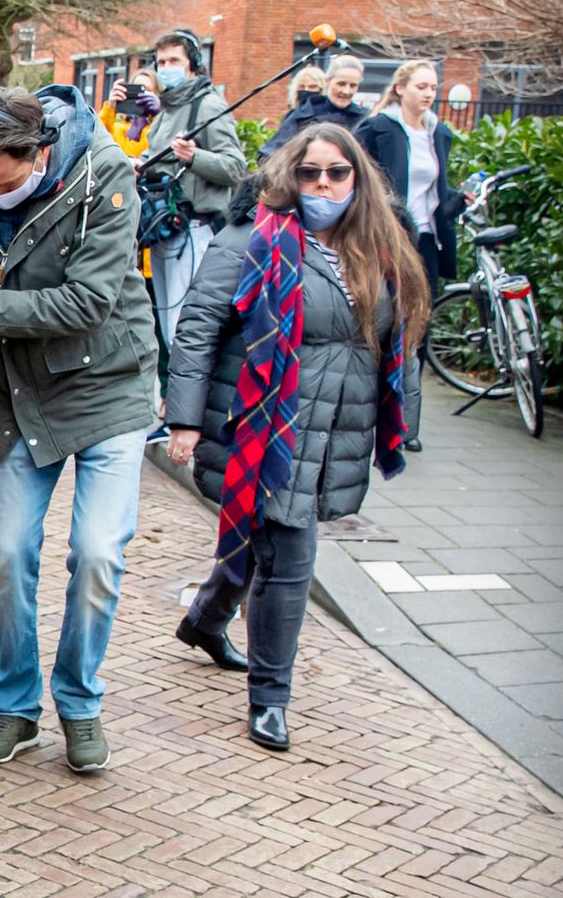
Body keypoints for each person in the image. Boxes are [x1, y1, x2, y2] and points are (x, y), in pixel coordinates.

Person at [167, 124, 428, 751]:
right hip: (261, 424)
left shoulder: (383, 245)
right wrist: (183, 419)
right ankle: (271, 699)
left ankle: (204, 621)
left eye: (336, 173)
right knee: (290, 557)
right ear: (290, 174)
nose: (322, 184)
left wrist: (404, 424)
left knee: (265, 546)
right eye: (310, 172)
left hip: (340, 422)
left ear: (357, 179)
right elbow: (199, 328)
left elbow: (403, 340)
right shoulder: (251, 238)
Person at [0, 86, 158, 774]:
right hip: (24, 394)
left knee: (96, 554)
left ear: (41, 153)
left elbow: (89, 300)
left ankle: (80, 705)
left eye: (5, 181)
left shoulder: (104, 174)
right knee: (6, 554)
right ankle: (15, 706)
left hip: (110, 384)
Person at [357, 59, 457, 451]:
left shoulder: (439, 134)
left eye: (433, 87)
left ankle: (405, 427)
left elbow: (433, 194)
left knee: (416, 331)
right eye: (421, 86)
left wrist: (453, 203)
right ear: (400, 89)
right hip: (386, 239)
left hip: (425, 243)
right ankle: (370, 414)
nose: (429, 94)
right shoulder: (377, 129)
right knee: (380, 324)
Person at [128, 29, 246, 351]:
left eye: (174, 60)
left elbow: (236, 167)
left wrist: (196, 157)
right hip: (164, 231)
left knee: (187, 329)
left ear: (192, 65)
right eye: (162, 61)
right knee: (168, 330)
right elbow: (161, 160)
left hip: (194, 230)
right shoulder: (166, 109)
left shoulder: (207, 106)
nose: (167, 67)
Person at [260, 55, 369, 160]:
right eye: (341, 84)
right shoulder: (304, 113)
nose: (346, 91)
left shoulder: (364, 119)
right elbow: (270, 154)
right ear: (327, 81)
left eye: (353, 85)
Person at [96, 68, 161, 158]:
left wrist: (157, 116)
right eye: (138, 89)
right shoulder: (119, 123)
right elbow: (98, 134)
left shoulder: (159, 124)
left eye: (147, 90)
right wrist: (110, 106)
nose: (142, 94)